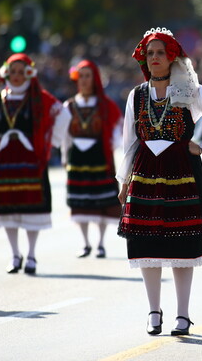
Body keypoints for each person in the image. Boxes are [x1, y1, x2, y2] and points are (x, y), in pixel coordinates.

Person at [117, 28, 202, 336]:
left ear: (172, 57)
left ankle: (183, 315)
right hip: (144, 173)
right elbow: (129, 142)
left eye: (160, 53)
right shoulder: (137, 95)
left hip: (180, 172)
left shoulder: (189, 90)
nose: (155, 58)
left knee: (181, 242)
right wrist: (124, 180)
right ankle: (154, 311)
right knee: (145, 242)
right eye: (150, 53)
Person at [0, 53, 71, 274]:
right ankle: (14, 254)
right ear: (6, 73)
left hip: (30, 160)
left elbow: (64, 114)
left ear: (29, 73)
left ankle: (31, 255)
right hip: (3, 161)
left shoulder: (39, 98)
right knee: (7, 209)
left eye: (21, 72)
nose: (17, 76)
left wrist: (52, 142)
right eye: (13, 72)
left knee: (32, 208)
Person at [62, 60, 123, 258]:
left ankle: (101, 243)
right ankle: (86, 243)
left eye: (88, 75)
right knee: (80, 201)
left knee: (101, 200)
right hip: (77, 158)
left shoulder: (105, 105)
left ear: (94, 78)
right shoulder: (69, 106)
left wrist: (112, 144)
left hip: (100, 157)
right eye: (81, 76)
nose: (84, 80)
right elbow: (64, 134)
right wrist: (65, 156)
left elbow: (118, 126)